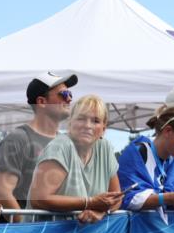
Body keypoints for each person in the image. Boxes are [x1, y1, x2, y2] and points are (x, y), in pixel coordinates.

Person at [0, 71, 78, 219]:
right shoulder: (18, 139)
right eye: (63, 94)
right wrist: (26, 228)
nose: (69, 99)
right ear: (41, 102)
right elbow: (2, 193)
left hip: (62, 232)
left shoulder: (67, 142)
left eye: (70, 93)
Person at [28, 95, 123, 224]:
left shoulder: (104, 148)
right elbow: (39, 199)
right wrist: (89, 202)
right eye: (81, 118)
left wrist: (101, 211)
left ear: (103, 129)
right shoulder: (60, 147)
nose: (87, 125)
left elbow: (116, 198)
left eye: (95, 121)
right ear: (70, 122)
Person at [117, 106, 174, 213]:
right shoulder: (137, 153)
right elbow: (126, 198)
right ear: (168, 131)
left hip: (167, 228)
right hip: (139, 228)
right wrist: (167, 199)